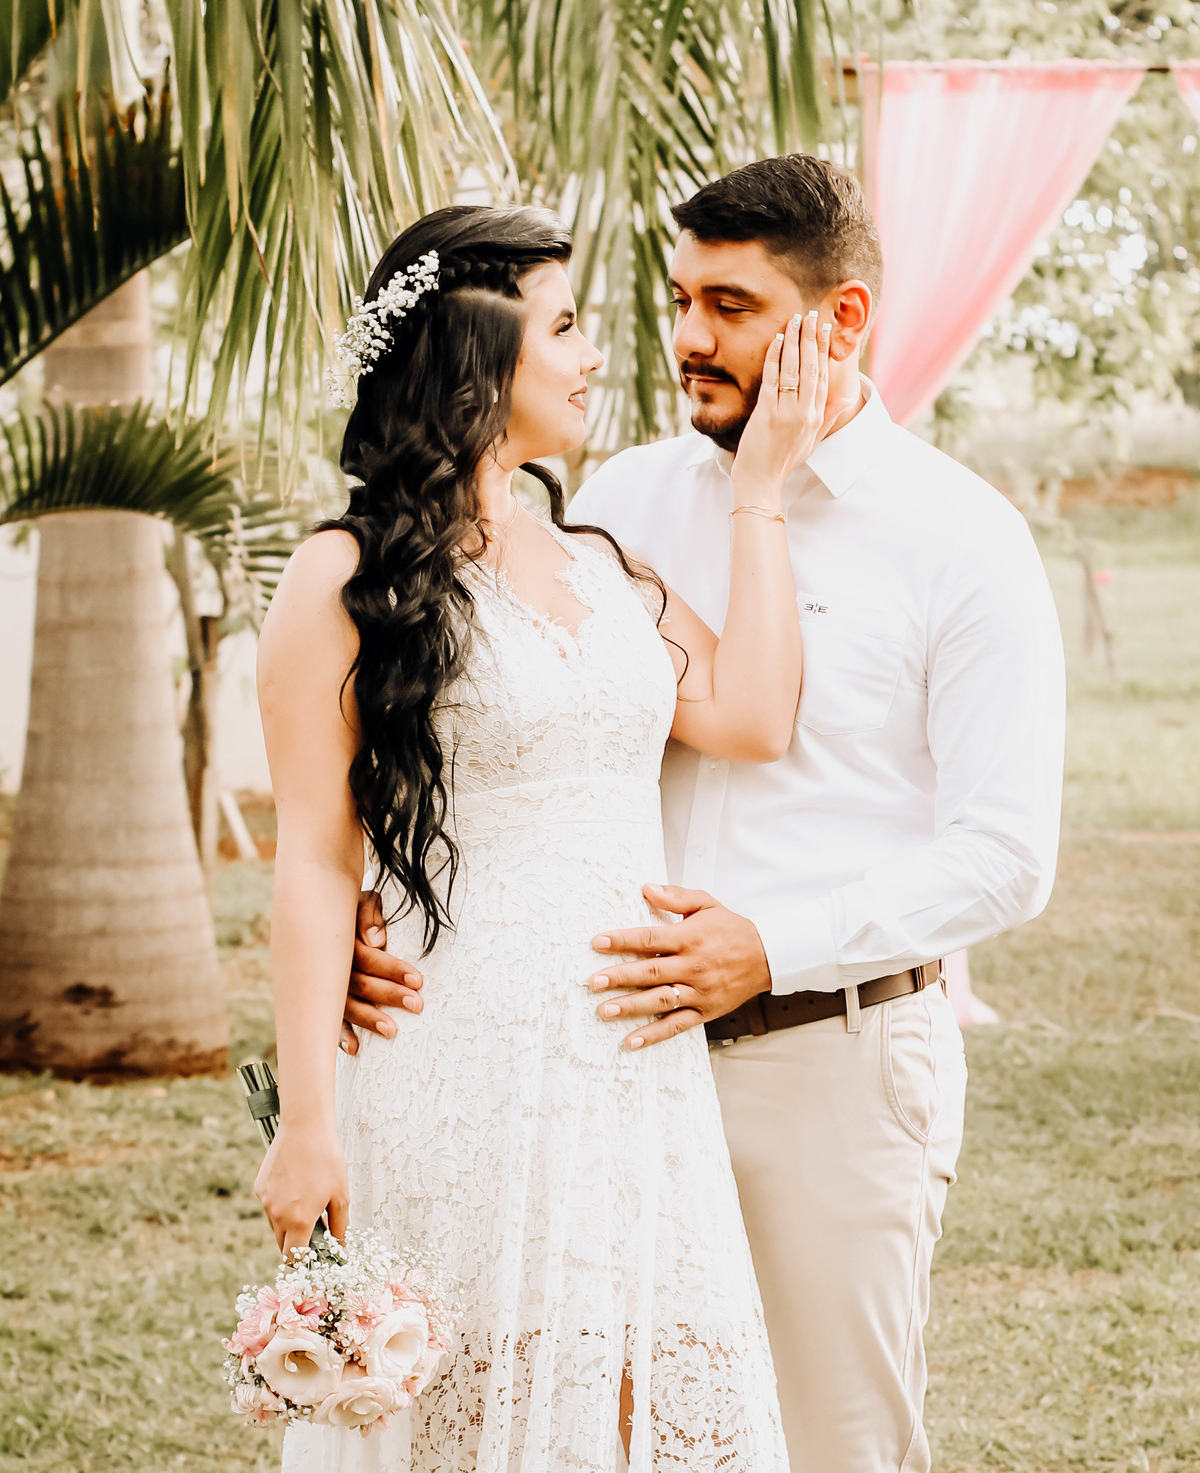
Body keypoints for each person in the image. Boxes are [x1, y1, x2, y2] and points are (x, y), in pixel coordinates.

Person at [347, 159, 1067, 1472]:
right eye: (679, 298)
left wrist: (770, 947)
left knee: (831, 1445)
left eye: (731, 307)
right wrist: (375, 909)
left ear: (843, 319)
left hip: (827, 1062)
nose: (687, 337)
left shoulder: (962, 538)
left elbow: (1008, 857)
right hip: (596, 1071)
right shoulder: (615, 500)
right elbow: (488, 721)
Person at [254, 203, 835, 1472]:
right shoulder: (341, 580)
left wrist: (761, 495)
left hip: (631, 1071)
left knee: (641, 1407)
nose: (593, 355)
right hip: (456, 1065)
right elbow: (313, 860)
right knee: (467, 1417)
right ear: (476, 352)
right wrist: (308, 1121)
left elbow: (752, 713)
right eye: (565, 327)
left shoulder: (604, 568)